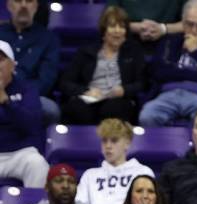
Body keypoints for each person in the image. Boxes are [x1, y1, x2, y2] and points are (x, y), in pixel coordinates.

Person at [138, 0, 197, 127]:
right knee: (147, 116)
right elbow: (158, 71)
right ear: (182, 22)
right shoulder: (169, 43)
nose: (194, 30)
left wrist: (196, 51)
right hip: (167, 95)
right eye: (189, 24)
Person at [59, 6, 146, 125]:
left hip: (119, 99)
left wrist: (124, 90)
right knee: (77, 108)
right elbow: (66, 82)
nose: (117, 31)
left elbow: (142, 83)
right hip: (91, 97)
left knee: (114, 108)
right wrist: (86, 91)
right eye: (112, 26)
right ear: (104, 30)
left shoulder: (134, 52)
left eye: (122, 27)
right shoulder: (86, 52)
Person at [76, 119, 155, 204]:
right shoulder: (90, 175)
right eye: (104, 141)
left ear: (127, 143)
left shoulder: (143, 172)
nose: (108, 146)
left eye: (114, 140)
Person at [0, 0, 60, 125]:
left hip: (29, 95)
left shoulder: (48, 39)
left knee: (50, 109)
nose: (23, 5)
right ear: (9, 5)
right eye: (18, 1)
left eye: (29, 1)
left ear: (36, 6)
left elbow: (46, 80)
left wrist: (22, 95)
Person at [0, 38, 48, 187]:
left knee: (37, 164)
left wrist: (7, 102)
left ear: (13, 65)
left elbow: (32, 124)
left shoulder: (27, 89)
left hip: (19, 154)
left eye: (0, 60)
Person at [106, 0, 186, 48]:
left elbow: (193, 23)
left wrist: (163, 29)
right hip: (125, 44)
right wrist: (135, 27)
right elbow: (109, 18)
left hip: (169, 47)